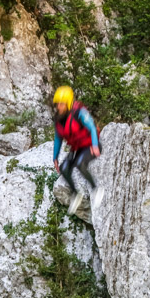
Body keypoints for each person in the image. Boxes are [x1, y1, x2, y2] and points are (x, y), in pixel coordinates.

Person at [52, 85, 104, 214]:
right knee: (64, 168)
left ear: (68, 104)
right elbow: (58, 139)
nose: (59, 107)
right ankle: (76, 194)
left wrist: (95, 145)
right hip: (76, 148)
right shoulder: (59, 120)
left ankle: (96, 189)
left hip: (90, 145)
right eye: (58, 104)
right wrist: (55, 157)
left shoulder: (78, 113)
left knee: (80, 164)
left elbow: (92, 127)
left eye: (62, 104)